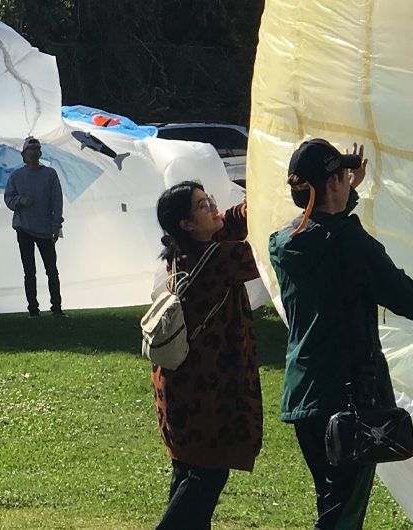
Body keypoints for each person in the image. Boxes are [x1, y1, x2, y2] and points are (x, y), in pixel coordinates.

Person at [268, 139, 413, 530]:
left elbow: (324, 232)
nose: (348, 181)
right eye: (343, 176)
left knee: (331, 502)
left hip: (305, 395)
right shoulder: (351, 244)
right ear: (331, 183)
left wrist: (349, 189)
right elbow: (410, 300)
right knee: (342, 514)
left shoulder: (283, 243)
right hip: (350, 398)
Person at [148, 180, 263, 529]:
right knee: (206, 478)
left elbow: (230, 220)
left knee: (188, 474)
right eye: (202, 206)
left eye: (208, 199)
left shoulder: (186, 253)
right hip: (205, 397)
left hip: (180, 390)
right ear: (186, 225)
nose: (213, 207)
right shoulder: (216, 259)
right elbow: (274, 250)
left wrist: (258, 194)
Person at [3, 137, 65, 318]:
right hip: (24, 229)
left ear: (40, 154)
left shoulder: (50, 174)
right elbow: (8, 199)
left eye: (36, 149)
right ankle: (33, 310)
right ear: (23, 155)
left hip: (46, 229)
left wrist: (56, 225)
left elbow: (57, 201)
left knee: (51, 270)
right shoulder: (16, 176)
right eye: (30, 150)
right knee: (29, 271)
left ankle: (57, 308)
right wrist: (20, 201)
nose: (33, 153)